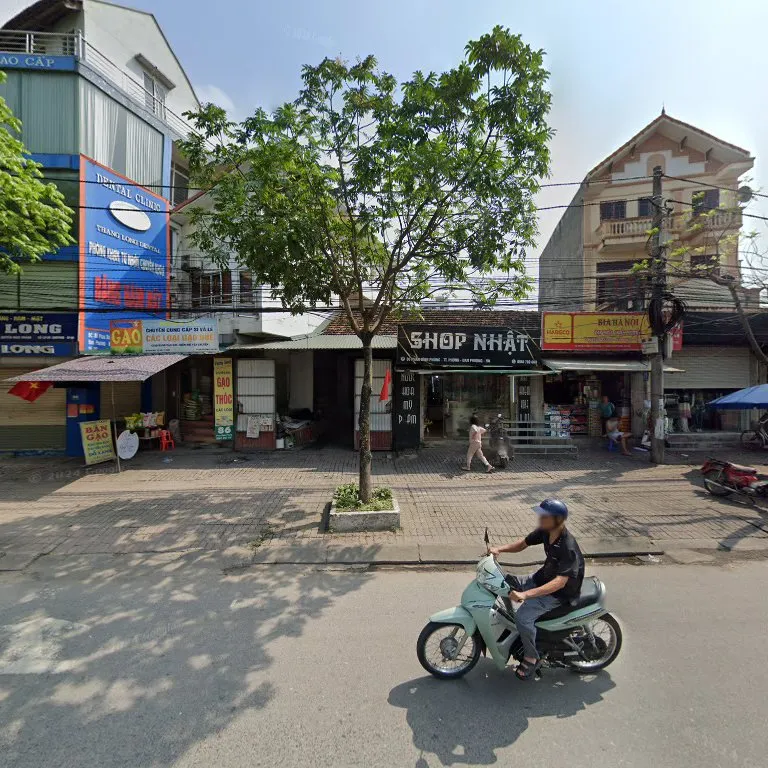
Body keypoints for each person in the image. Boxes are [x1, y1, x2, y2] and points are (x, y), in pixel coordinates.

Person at [489, 499, 584, 680]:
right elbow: (523, 543)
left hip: (558, 593)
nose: (539, 519)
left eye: (544, 516)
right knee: (507, 582)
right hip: (542, 577)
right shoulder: (546, 532)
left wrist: (525, 594)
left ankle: (531, 656)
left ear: (557, 520)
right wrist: (499, 549)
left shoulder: (567, 546)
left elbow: (560, 583)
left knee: (523, 618)